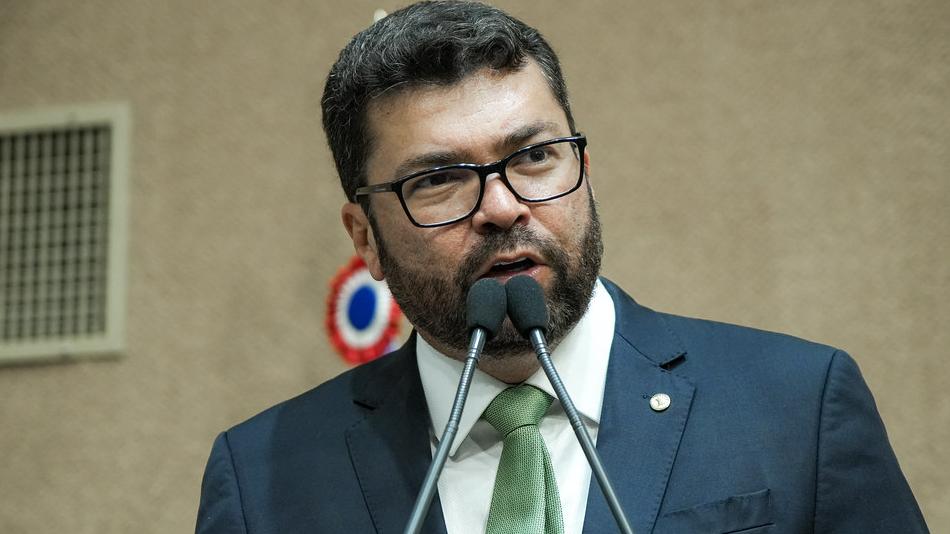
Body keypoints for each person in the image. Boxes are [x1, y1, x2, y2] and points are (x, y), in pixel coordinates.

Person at [196, 2, 929, 533]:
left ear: (585, 173)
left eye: (535, 156)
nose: (503, 206)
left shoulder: (797, 409)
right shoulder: (263, 480)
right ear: (364, 238)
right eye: (439, 179)